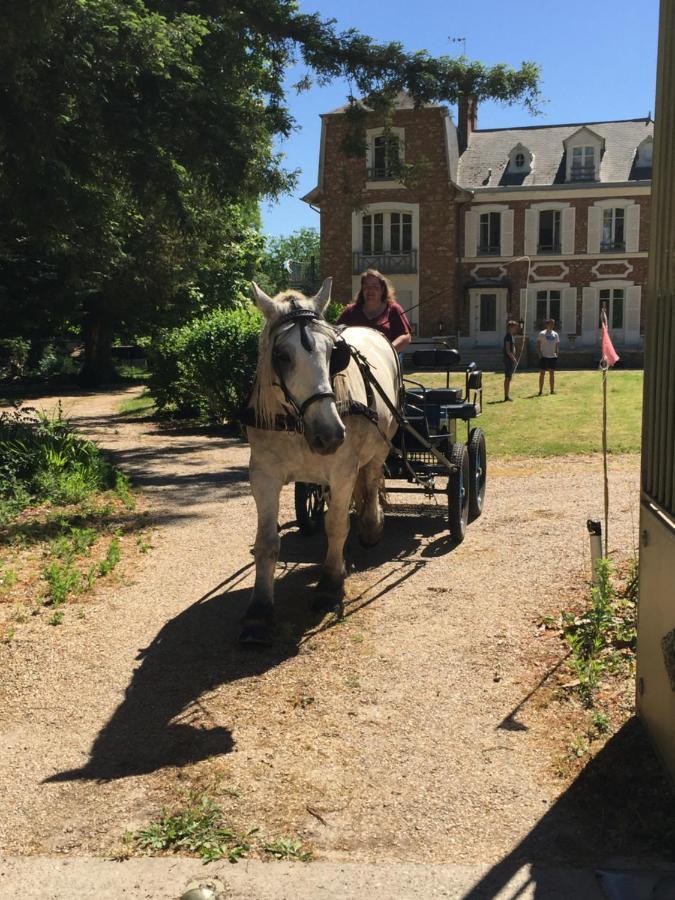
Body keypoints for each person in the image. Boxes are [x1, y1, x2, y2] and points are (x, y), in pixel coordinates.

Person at [337, 269, 412, 353]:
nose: (370, 290)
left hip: (386, 360)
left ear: (382, 289)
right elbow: (336, 333)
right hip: (357, 360)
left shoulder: (393, 309)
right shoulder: (350, 311)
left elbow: (406, 337)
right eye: (366, 286)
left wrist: (388, 351)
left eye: (375, 286)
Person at [536, 318, 560, 395]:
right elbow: (538, 346)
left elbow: (557, 346)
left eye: (553, 324)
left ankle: (552, 390)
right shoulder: (541, 334)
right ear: (547, 324)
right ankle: (540, 391)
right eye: (550, 323)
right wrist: (540, 355)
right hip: (544, 357)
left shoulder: (555, 334)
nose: (552, 325)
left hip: (552, 357)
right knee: (542, 374)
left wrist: (557, 354)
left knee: (552, 374)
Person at [503, 320, 519, 401]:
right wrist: (514, 359)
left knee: (509, 378)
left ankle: (507, 395)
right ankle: (506, 396)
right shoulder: (508, 336)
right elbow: (507, 350)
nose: (516, 329)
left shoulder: (511, 336)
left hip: (510, 360)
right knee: (507, 378)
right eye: (514, 327)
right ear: (510, 327)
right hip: (508, 360)